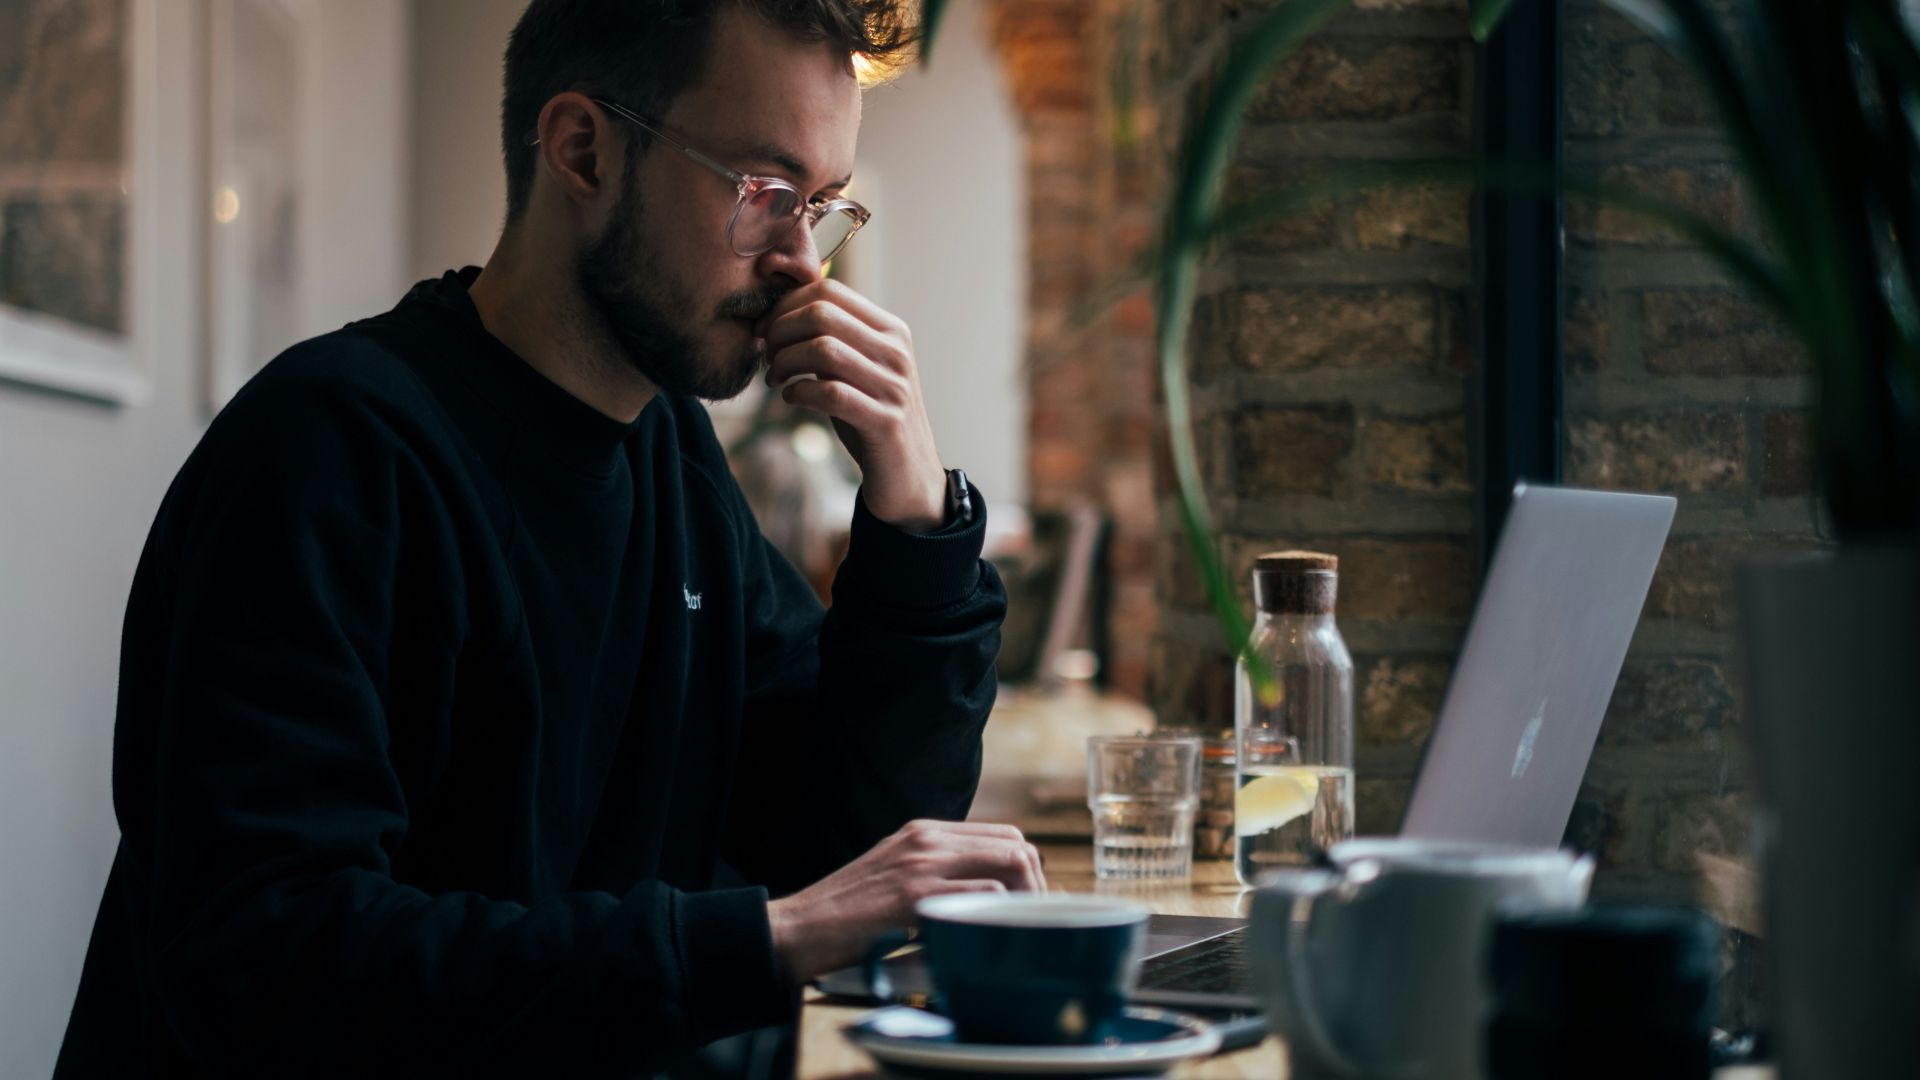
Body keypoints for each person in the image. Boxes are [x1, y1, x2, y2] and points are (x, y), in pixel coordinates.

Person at [55, 1, 1044, 1075]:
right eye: (764, 193)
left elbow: (851, 834)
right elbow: (274, 960)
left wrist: (911, 506)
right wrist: (770, 937)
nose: (801, 264)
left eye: (822, 204)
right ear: (584, 149)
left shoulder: (672, 462)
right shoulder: (330, 452)